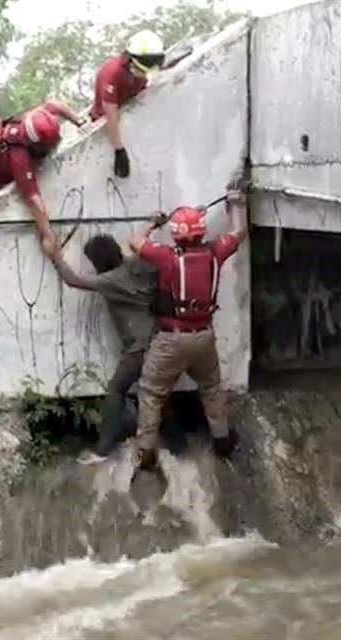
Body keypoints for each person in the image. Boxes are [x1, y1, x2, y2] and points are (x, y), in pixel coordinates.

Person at [128, 178, 248, 469]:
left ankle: (145, 452)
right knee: (210, 387)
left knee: (151, 392)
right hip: (204, 335)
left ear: (176, 234)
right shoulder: (214, 253)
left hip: (171, 337)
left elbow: (135, 243)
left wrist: (151, 223)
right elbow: (239, 231)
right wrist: (236, 199)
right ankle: (222, 439)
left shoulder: (167, 258)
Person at [41, 232, 158, 463]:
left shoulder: (110, 280)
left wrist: (55, 255)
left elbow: (72, 280)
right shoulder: (139, 265)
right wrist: (152, 225)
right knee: (156, 393)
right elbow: (146, 250)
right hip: (161, 341)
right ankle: (170, 443)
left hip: (138, 349)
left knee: (116, 390)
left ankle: (103, 449)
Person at [0, 100, 85, 245]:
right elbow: (33, 199)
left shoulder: (38, 117)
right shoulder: (19, 157)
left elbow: (57, 105)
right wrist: (48, 236)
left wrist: (79, 121)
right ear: (34, 145)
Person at [89, 30, 166, 179]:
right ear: (131, 62)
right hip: (109, 121)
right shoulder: (113, 73)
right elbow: (109, 112)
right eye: (142, 70)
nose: (144, 74)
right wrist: (119, 149)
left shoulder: (142, 69)